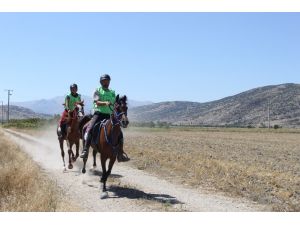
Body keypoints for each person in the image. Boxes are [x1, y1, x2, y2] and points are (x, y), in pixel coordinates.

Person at [80, 74, 130, 162]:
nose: (106, 83)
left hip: (109, 115)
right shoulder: (97, 90)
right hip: (98, 114)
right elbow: (96, 101)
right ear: (101, 82)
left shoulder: (112, 92)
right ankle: (85, 150)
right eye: (104, 81)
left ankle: (120, 153)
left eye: (107, 81)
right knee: (90, 128)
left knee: (119, 132)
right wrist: (105, 103)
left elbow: (115, 103)